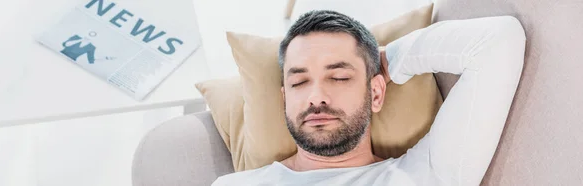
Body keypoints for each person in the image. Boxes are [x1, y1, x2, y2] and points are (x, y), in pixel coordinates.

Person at [212, 10, 526, 186]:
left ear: (375, 93)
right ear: (284, 100)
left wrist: (388, 60)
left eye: (339, 76)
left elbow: (498, 41)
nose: (316, 96)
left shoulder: (426, 174)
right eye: (299, 81)